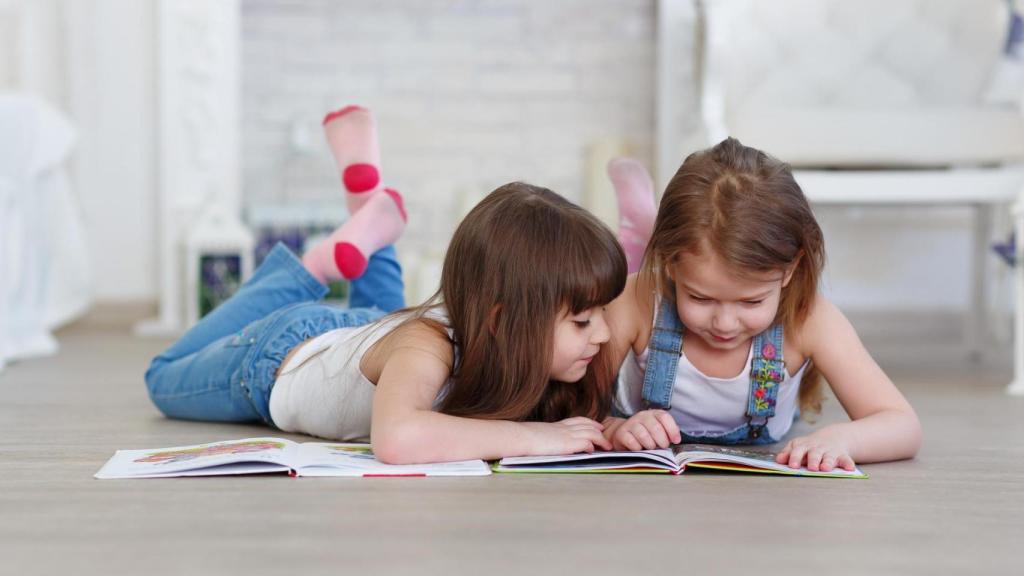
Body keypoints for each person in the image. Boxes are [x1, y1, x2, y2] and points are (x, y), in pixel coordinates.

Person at [145, 106, 624, 464]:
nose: (603, 334)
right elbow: (396, 439)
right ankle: (314, 267)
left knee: (385, 316)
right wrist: (534, 438)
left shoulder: (503, 346)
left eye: (600, 313)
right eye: (583, 320)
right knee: (163, 377)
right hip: (276, 358)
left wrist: (625, 427)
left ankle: (369, 205)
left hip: (368, 337)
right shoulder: (427, 345)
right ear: (503, 320)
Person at [602, 137, 922, 472]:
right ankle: (639, 238)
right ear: (671, 265)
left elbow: (902, 424)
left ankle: (644, 232)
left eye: (752, 301)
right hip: (653, 278)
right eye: (700, 297)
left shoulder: (809, 317)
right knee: (633, 276)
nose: (724, 323)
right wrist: (612, 427)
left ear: (789, 271)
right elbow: (565, 409)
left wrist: (841, 439)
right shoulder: (636, 302)